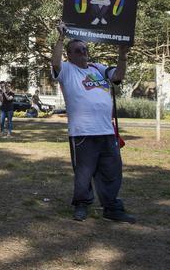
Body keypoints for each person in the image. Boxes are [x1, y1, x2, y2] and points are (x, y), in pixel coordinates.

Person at [51, 21, 135, 223]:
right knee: (83, 173)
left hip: (106, 131)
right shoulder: (67, 70)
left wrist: (122, 55)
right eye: (78, 50)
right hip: (82, 132)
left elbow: (118, 76)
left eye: (85, 49)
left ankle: (111, 206)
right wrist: (61, 38)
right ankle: (81, 204)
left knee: (111, 171)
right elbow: (55, 63)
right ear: (69, 55)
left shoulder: (99, 68)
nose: (83, 52)